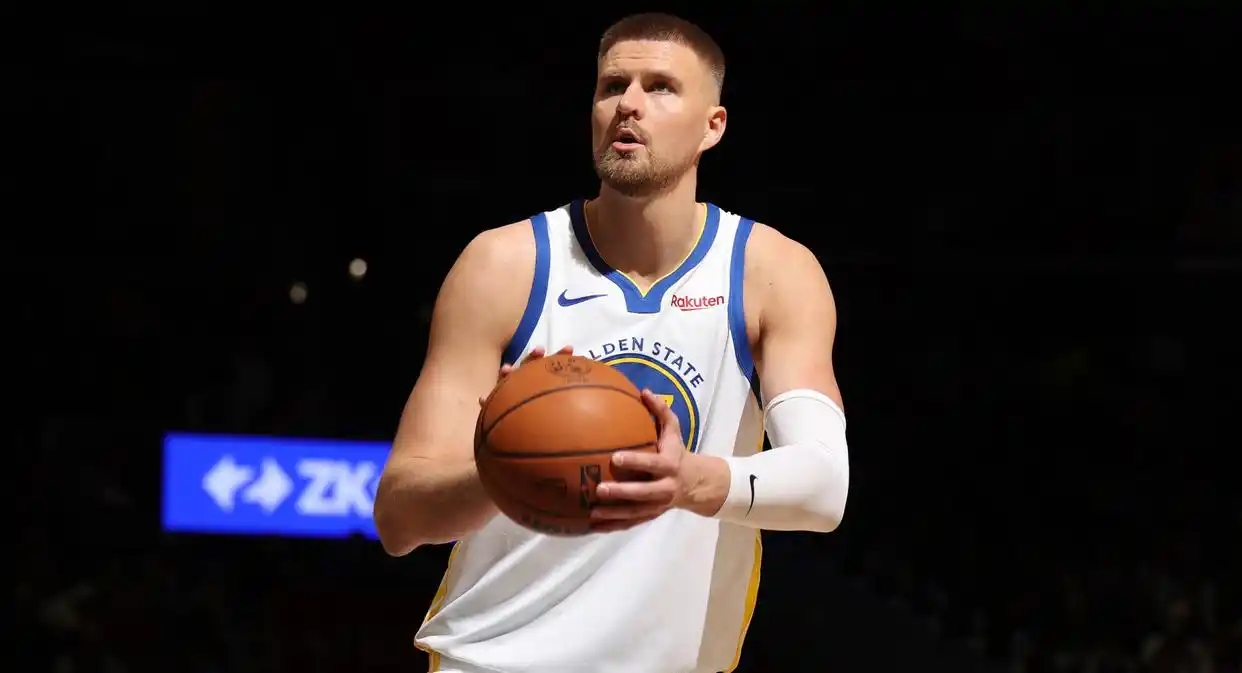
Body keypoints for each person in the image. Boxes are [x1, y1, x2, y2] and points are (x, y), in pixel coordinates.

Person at [374, 12, 850, 673]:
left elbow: (825, 486)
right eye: (611, 86)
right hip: (491, 661)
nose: (628, 103)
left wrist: (686, 479)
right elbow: (399, 517)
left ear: (713, 126)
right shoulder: (505, 265)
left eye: (661, 87)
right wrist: (504, 471)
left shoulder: (770, 272)